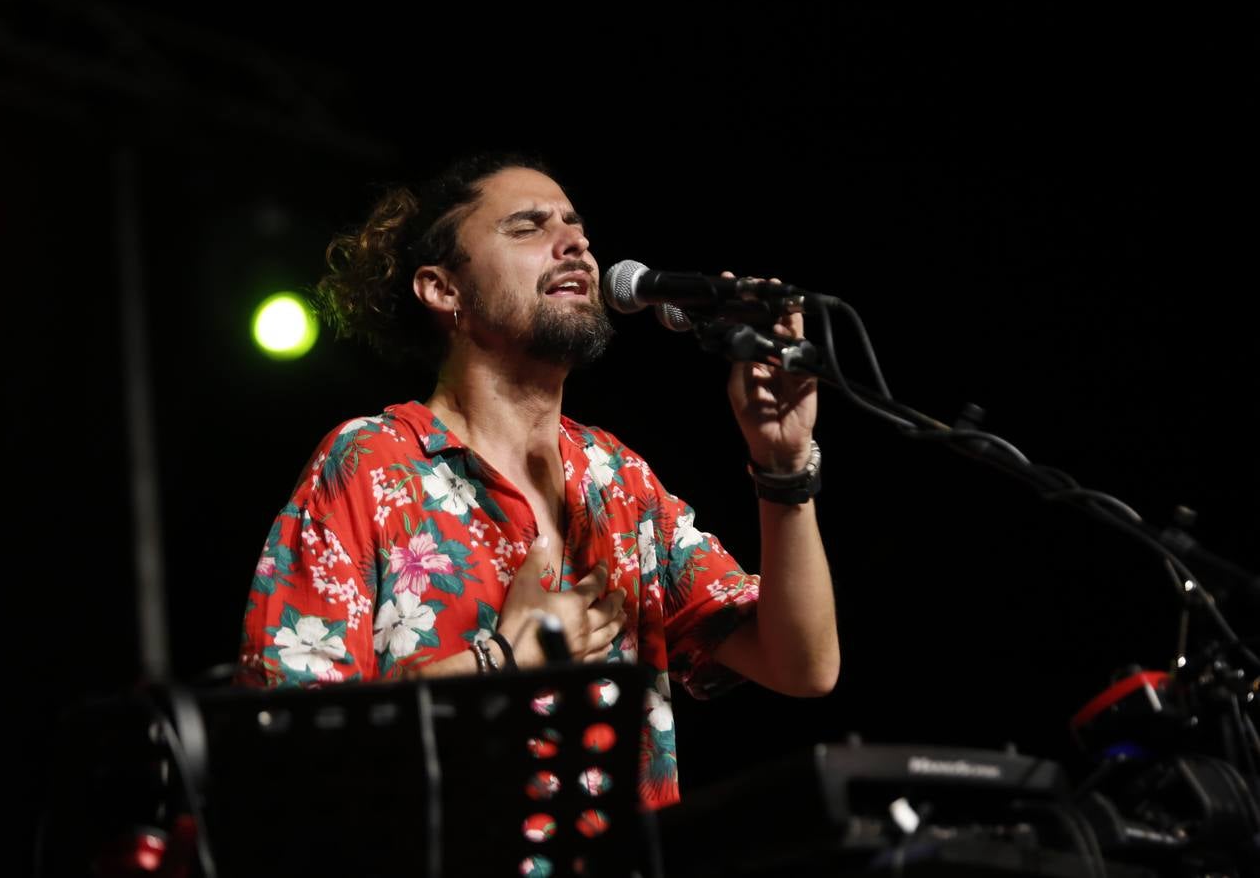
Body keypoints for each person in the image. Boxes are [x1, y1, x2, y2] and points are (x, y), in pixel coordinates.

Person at [235, 152, 838, 808]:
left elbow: (802, 666)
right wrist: (499, 662)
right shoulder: (370, 463)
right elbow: (280, 740)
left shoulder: (619, 478)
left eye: (576, 226)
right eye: (527, 227)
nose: (574, 241)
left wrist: (782, 471)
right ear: (443, 290)